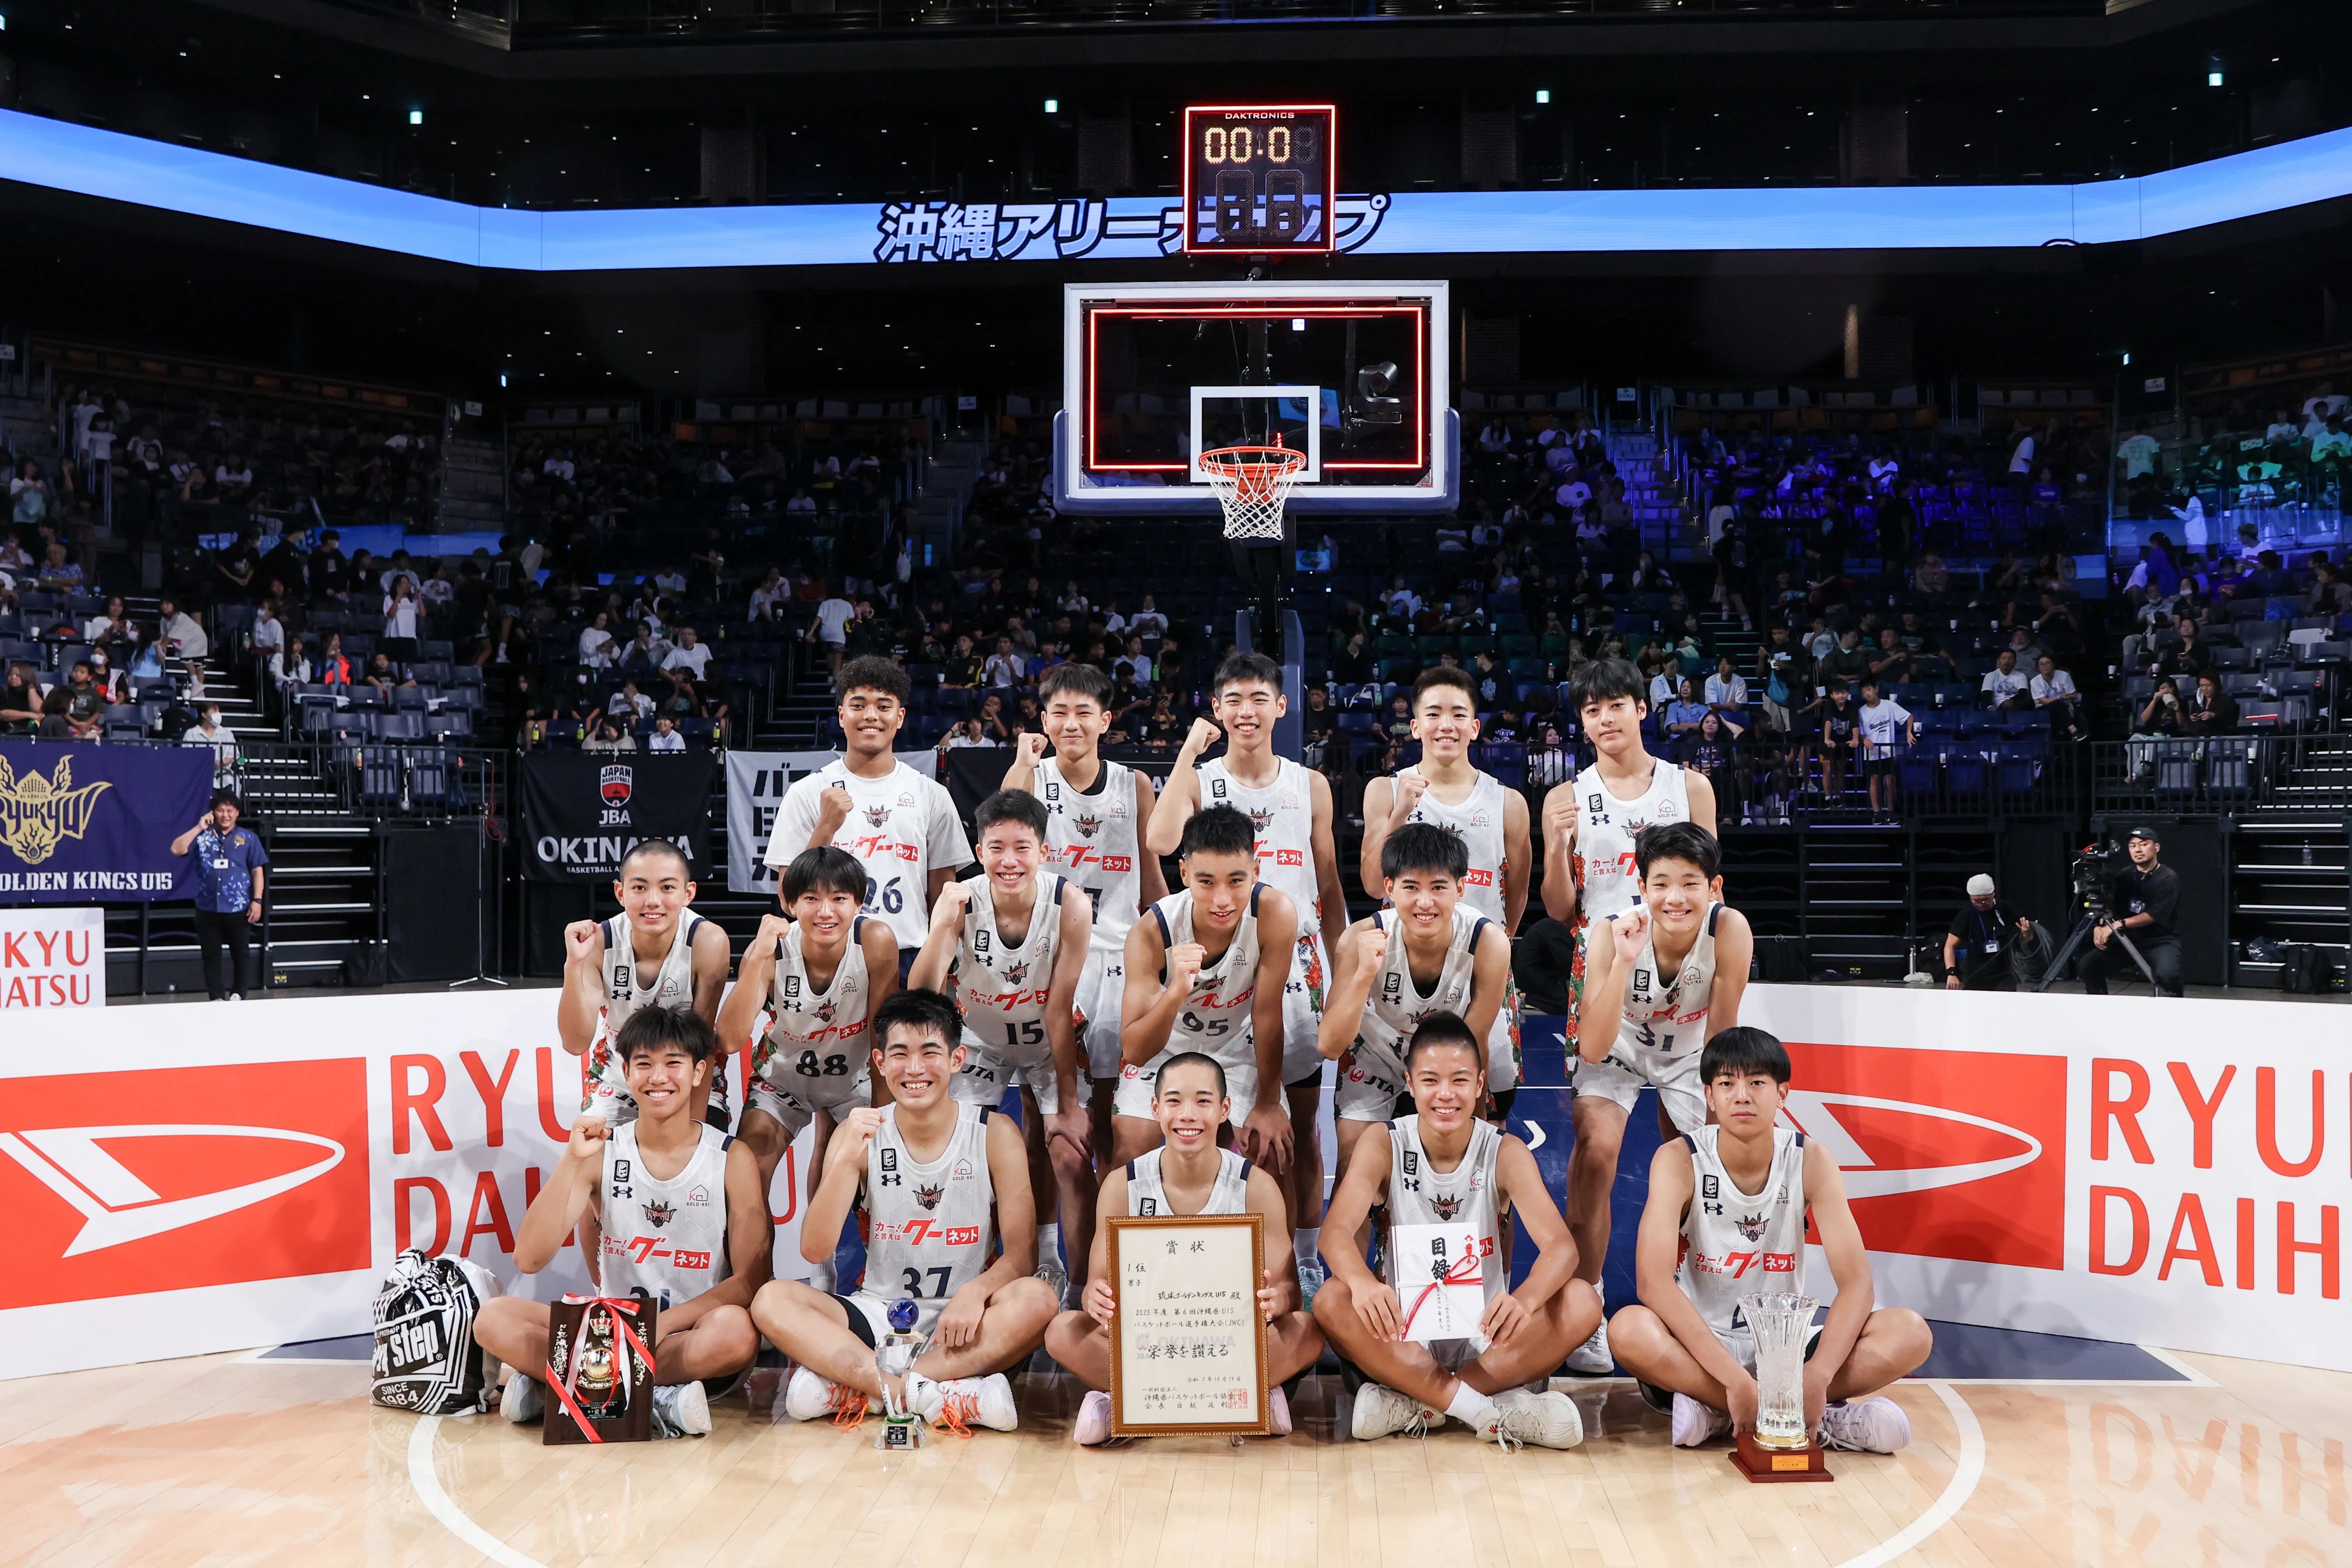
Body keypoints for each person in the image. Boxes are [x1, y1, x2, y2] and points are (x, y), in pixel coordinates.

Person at [1606, 1026, 1931, 1453]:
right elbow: (1653, 1283)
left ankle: (1726, 1412)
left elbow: (1857, 1284)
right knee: (1628, 1329)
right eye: (1727, 1083)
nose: (1741, 1096)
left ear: (1782, 1094)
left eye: (1757, 1082)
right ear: (1709, 1096)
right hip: (1702, 1343)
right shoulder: (1678, 1159)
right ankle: (1771, 1410)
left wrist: (1818, 1375)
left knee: (1910, 1332)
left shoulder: (1810, 1159)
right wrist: (1732, 1378)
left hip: (1785, 1346)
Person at [753, 988, 1057, 1434]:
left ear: (957, 1059)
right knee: (772, 1300)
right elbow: (815, 1248)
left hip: (961, 1322)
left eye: (929, 1053)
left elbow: (1022, 1256)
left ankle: (863, 1389)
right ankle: (928, 1394)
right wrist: (845, 1157)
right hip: (879, 1314)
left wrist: (976, 1293)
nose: (914, 1068)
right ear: (879, 1061)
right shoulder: (860, 1132)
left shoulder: (994, 1132)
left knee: (1038, 1299)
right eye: (899, 1054)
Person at [1147, 651, 1348, 1300]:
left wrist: (1342, 968)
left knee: (1301, 1125)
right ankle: (1207, 1261)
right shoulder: (1202, 780)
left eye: (1259, 698)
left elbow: (1328, 881)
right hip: (1225, 968)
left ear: (1281, 706)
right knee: (1220, 1118)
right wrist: (1187, 752)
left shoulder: (1310, 784)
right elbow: (1160, 841)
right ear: (1216, 708)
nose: (1246, 711)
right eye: (1233, 699)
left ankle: (1305, 1260)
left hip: (1300, 963)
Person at [1536, 656, 1715, 1373]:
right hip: (1607, 976)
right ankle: (1584, 1309)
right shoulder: (1567, 796)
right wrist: (1556, 846)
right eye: (1591, 710)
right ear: (1582, 722)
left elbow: (1712, 888)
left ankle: (1699, 1301)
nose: (1604, 718)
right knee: (1596, 1152)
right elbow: (1558, 907)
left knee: (1694, 1155)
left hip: (1681, 984)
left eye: (1616, 705)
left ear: (1642, 708)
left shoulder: (1688, 786)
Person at [475, 1006, 766, 1440]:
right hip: (607, 1332)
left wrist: (665, 1322)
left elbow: (750, 1280)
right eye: (644, 1064)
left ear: (698, 1072)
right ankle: (655, 1398)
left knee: (736, 1333)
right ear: (626, 1072)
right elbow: (528, 1258)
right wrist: (571, 1160)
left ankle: (565, 1387)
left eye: (673, 1063)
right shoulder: (601, 1151)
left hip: (684, 1334)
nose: (658, 1077)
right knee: (494, 1318)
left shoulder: (730, 1156)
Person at [1312, 1013, 1596, 1449]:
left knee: (1581, 1300)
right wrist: (1363, 1283)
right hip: (1402, 1332)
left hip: (1488, 1335)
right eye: (1430, 1080)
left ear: (1480, 1084)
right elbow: (1334, 1233)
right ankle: (1484, 1408)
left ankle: (1421, 1402)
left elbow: (1562, 1248)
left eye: (1459, 1080)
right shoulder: (1383, 1142)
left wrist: (1525, 1299)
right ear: (1410, 1083)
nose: (1445, 1094)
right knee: (1332, 1298)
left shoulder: (1505, 1150)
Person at [1043, 1051, 1324, 1446]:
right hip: (1150, 1345)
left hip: (1228, 1345)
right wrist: (1096, 1299)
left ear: (1225, 1109)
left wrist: (1276, 1300)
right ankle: (1246, 1400)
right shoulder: (1122, 1185)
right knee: (1061, 1332)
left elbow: (1290, 1291)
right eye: (1174, 1101)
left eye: (1203, 1101)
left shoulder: (1256, 1186)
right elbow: (1096, 1284)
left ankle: (1130, 1405)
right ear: (1155, 1108)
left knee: (1308, 1331)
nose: (1188, 1114)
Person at [909, 789, 1097, 1304]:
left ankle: (1074, 1285)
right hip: (979, 1039)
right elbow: (922, 996)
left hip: (1049, 1036)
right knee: (958, 1155)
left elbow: (1059, 1008)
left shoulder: (1071, 904)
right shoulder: (960, 901)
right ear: (979, 850)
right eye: (996, 848)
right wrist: (940, 926)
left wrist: (1069, 1105)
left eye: (1021, 848)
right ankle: (964, 1282)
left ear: (1043, 851)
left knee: (1069, 1154)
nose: (1008, 860)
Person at [1000, 664, 1170, 1178]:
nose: (1071, 723)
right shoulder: (1032, 778)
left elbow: (1151, 879)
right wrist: (1022, 761)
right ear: (1043, 720)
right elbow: (1005, 823)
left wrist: (1174, 942)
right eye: (1059, 713)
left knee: (1109, 1115)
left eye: (1083, 712)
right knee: (1041, 1118)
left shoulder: (1134, 785)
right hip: (1050, 960)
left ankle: (1107, 1222)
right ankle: (1045, 1232)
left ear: (1105, 720)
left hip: (1120, 961)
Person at [718, 847, 902, 1288]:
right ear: (790, 903)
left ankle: (853, 1283)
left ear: (858, 903)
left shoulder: (875, 940)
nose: (825, 911)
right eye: (811, 899)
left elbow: (884, 1034)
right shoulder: (773, 948)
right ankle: (751, 1289)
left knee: (883, 1175)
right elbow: (728, 1038)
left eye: (839, 898)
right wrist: (756, 958)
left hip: (853, 1082)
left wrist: (886, 1117)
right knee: (746, 1177)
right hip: (782, 1081)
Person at [1357, 665, 1533, 1091]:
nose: (1446, 725)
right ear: (1416, 726)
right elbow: (1371, 883)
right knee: (1386, 1106)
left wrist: (1496, 943)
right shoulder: (1384, 790)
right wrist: (1400, 813)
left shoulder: (1508, 802)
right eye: (1434, 714)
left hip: (1478, 967)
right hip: (1401, 973)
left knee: (1489, 1104)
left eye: (1458, 714)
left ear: (1474, 727)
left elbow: (1517, 888)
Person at [1318, 824, 1514, 1198]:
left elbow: (1473, 1042)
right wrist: (1364, 975)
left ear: (1460, 887)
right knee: (1353, 1162)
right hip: (1376, 1057)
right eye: (1411, 887)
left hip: (1448, 1062)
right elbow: (1329, 1045)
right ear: (1389, 888)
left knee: (1478, 1176)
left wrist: (1475, 1129)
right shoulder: (1358, 937)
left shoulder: (1488, 942)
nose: (1425, 902)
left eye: (1438, 888)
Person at [1114, 803, 1298, 1163]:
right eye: (1206, 882)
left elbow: (1266, 1014)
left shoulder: (1275, 913)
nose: (1222, 899)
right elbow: (1135, 1050)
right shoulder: (1151, 932)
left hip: (1237, 1046)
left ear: (1256, 871)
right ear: (1184, 873)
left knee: (1270, 1148)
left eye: (1236, 880)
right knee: (1130, 1144)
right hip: (1167, 1049)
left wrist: (1268, 1103)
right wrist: (1175, 993)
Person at [767, 656, 972, 977]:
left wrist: (941, 959)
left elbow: (943, 898)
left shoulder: (931, 794)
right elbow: (787, 899)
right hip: (831, 959)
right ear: (842, 715)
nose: (871, 716)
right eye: (858, 705)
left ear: (900, 717)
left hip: (910, 957)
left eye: (884, 706)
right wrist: (825, 828)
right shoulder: (806, 792)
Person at [558, 839, 734, 1131]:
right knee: (590, 1152)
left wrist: (692, 1132)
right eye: (639, 887)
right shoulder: (599, 943)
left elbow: (703, 1044)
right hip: (620, 1076)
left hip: (685, 1078)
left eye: (667, 888)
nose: (653, 901)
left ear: (688, 893)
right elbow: (575, 1044)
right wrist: (573, 966)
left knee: (700, 1153)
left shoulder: (708, 942)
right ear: (621, 892)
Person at [169, 789, 268, 1002]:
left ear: (237, 813)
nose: (226, 815)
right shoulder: (203, 838)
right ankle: (216, 997)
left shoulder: (248, 839)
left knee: (241, 955)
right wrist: (199, 827)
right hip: (208, 906)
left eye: (230, 811)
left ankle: (239, 994)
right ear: (213, 813)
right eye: (221, 810)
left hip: (238, 907)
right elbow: (177, 849)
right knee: (211, 956)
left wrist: (257, 900)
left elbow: (257, 871)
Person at [2079, 827, 2183, 997]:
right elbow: (2111, 906)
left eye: (2144, 844)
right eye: (2133, 846)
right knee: (2089, 965)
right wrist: (2100, 926)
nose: (2138, 850)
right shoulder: (2124, 876)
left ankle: (2175, 1006)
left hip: (2159, 941)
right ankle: (2100, 1005)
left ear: (2157, 847)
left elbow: (2154, 915)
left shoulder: (2168, 878)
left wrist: (2119, 924)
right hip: (2127, 939)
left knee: (2168, 975)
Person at [1943, 873, 2037, 990]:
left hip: (2005, 975)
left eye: (1986, 900)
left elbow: (2026, 940)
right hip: (1976, 975)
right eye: (1976, 901)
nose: (1981, 905)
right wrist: (1951, 973)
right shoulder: (1966, 914)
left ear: (1993, 894)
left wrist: (2027, 933)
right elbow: (1950, 945)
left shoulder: (2006, 909)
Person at [1855, 678, 1915, 823]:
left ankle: (1890, 812)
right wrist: (1865, 739)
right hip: (1872, 752)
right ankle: (1877, 814)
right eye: (1863, 692)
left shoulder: (1889, 705)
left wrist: (1908, 733)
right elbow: (1859, 731)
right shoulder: (1861, 712)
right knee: (1874, 780)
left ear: (1876, 689)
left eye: (1869, 690)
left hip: (1888, 751)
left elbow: (1909, 716)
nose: (1867, 694)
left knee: (1889, 782)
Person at [182, 702, 239, 789]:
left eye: (218, 712)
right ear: (204, 715)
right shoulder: (191, 734)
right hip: (200, 774)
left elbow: (234, 755)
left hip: (223, 774)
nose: (218, 715)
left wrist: (220, 763)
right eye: (214, 712)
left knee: (231, 786)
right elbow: (187, 756)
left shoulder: (227, 733)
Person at [2030, 654, 2085, 741]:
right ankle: (2074, 733)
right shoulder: (2035, 681)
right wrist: (2060, 697)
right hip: (2044, 709)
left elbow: (2072, 694)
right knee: (2058, 704)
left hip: (2065, 706)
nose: (2045, 666)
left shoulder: (2064, 675)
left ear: (2053, 665)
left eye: (2048, 663)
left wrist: (2071, 696)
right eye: (2042, 664)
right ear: (2038, 668)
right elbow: (2044, 701)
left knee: (2063, 706)